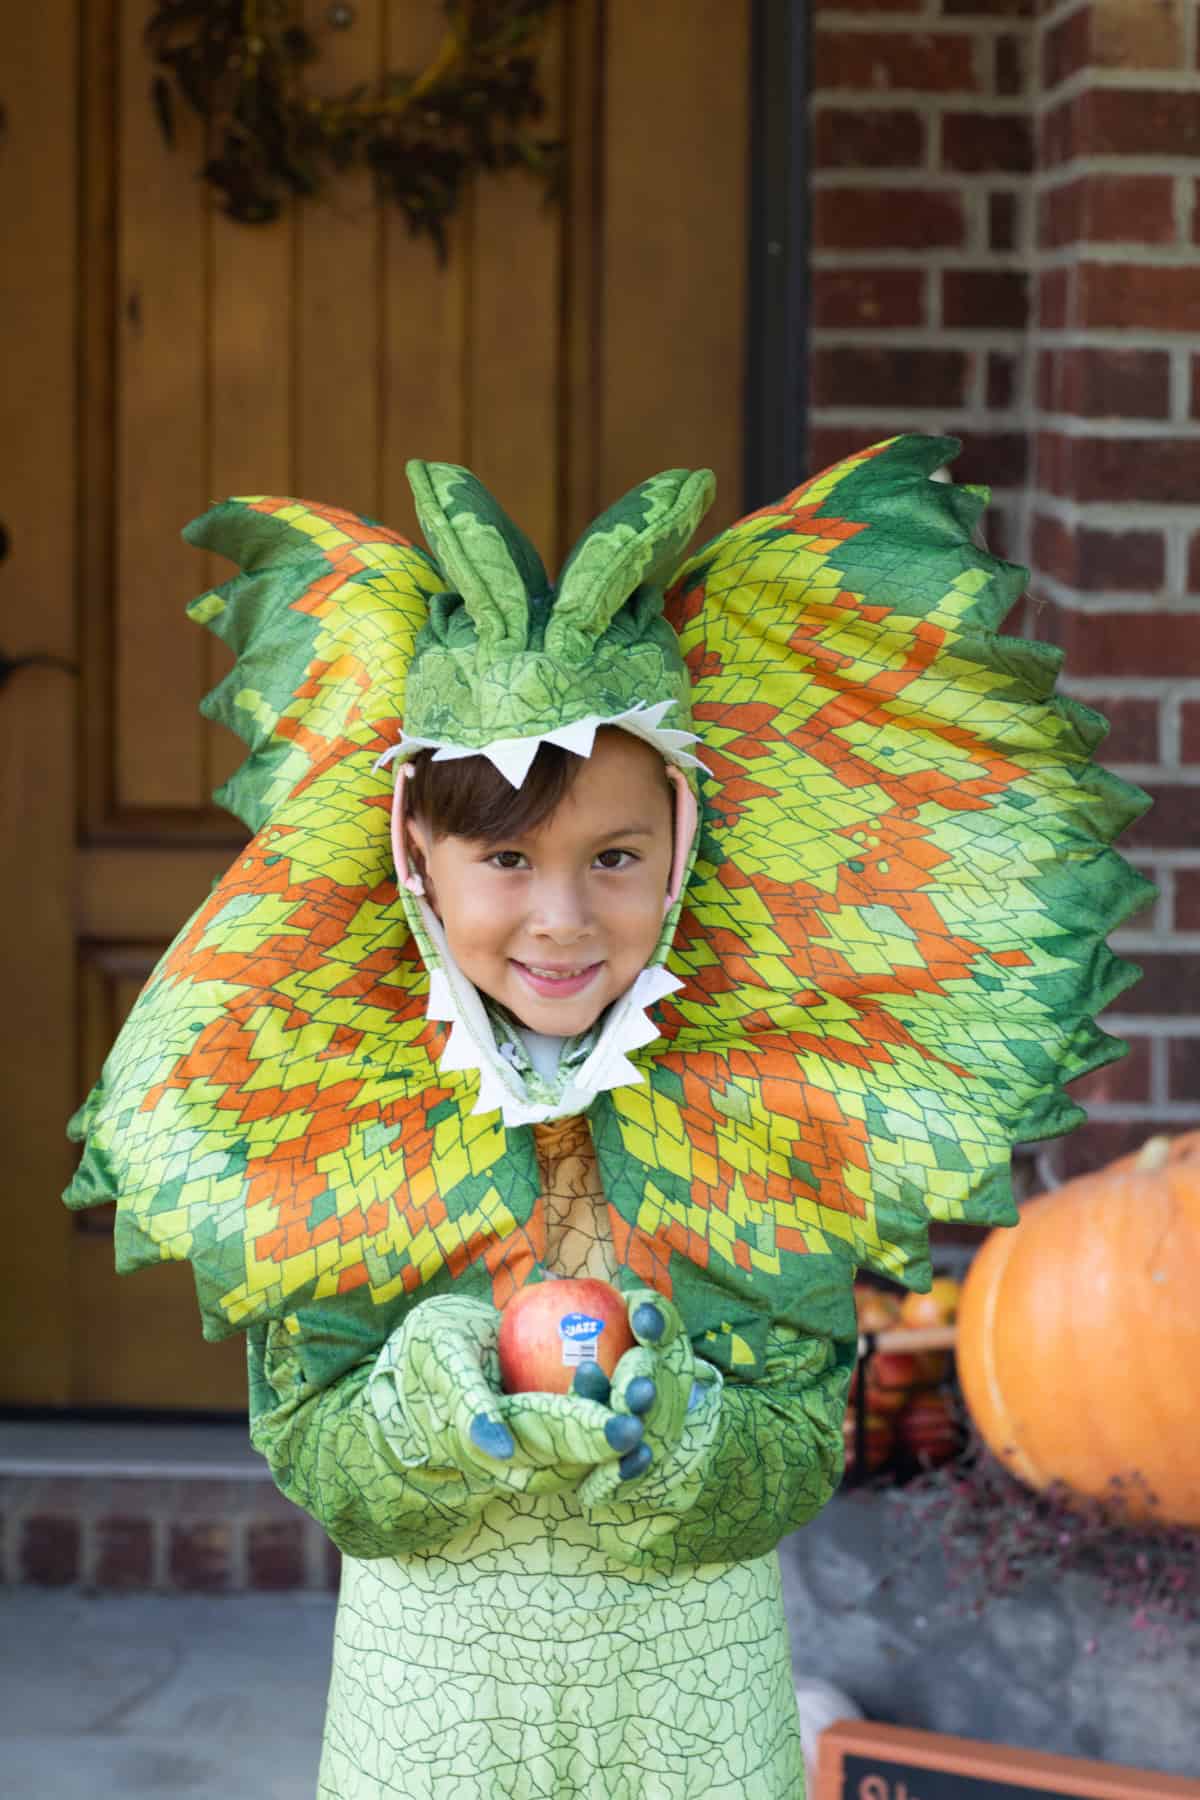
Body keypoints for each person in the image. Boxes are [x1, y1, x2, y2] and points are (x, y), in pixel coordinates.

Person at [66, 436, 1149, 1798]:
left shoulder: (769, 1106)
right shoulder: (340, 1113)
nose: (562, 918)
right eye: (506, 860)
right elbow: (314, 1444)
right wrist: (429, 1396)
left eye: (615, 859)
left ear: (685, 843)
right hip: (434, 1720)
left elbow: (802, 1444)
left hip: (691, 1717)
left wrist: (683, 1426)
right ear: (417, 854)